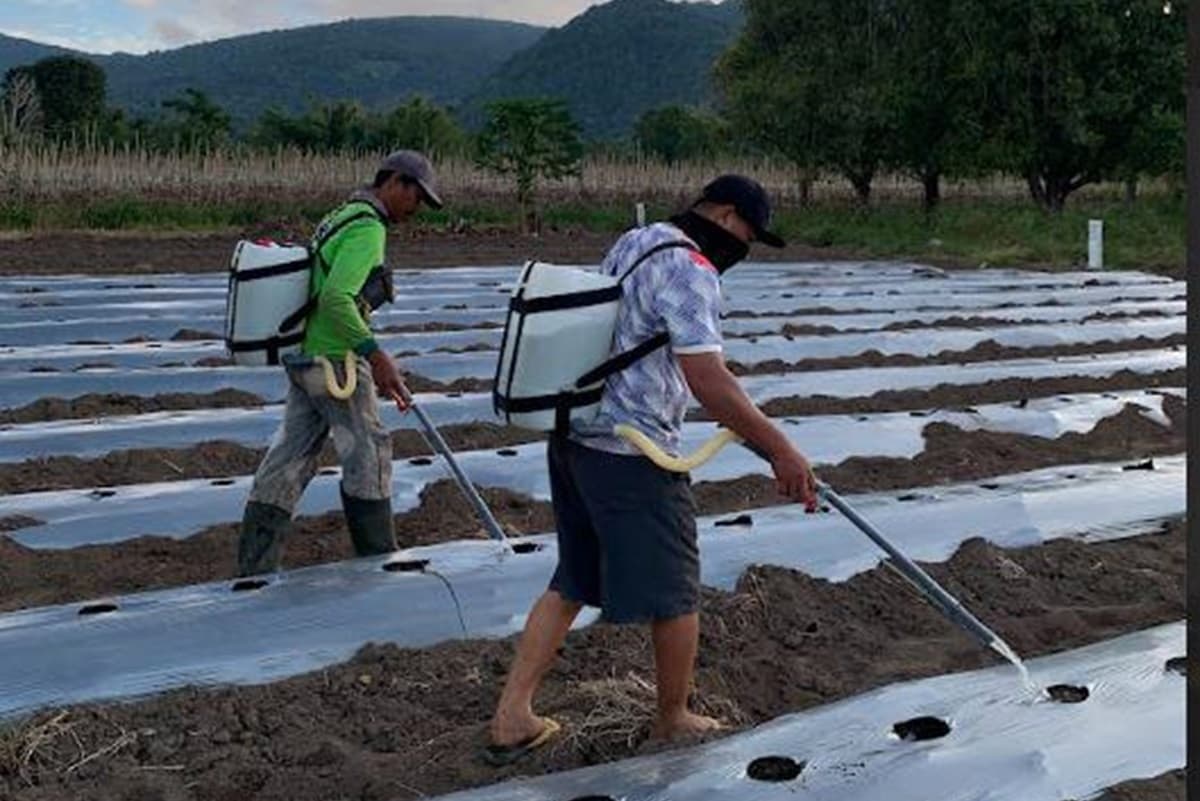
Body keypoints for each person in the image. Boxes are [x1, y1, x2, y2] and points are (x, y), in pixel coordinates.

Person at [484, 175, 819, 765]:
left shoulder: (637, 239)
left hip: (577, 434)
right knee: (676, 590)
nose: (744, 245)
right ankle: (672, 717)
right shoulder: (691, 268)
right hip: (633, 451)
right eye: (747, 232)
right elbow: (708, 379)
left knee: (573, 579)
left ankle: (513, 715)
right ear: (723, 213)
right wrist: (780, 449)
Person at [235, 150, 442, 577]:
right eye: (416, 197)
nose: (417, 208)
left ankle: (254, 568)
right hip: (336, 361)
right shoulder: (368, 228)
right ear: (396, 183)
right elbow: (335, 298)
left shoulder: (340, 215)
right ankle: (379, 561)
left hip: (304, 357)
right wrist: (375, 355)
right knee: (368, 449)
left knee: (290, 455)